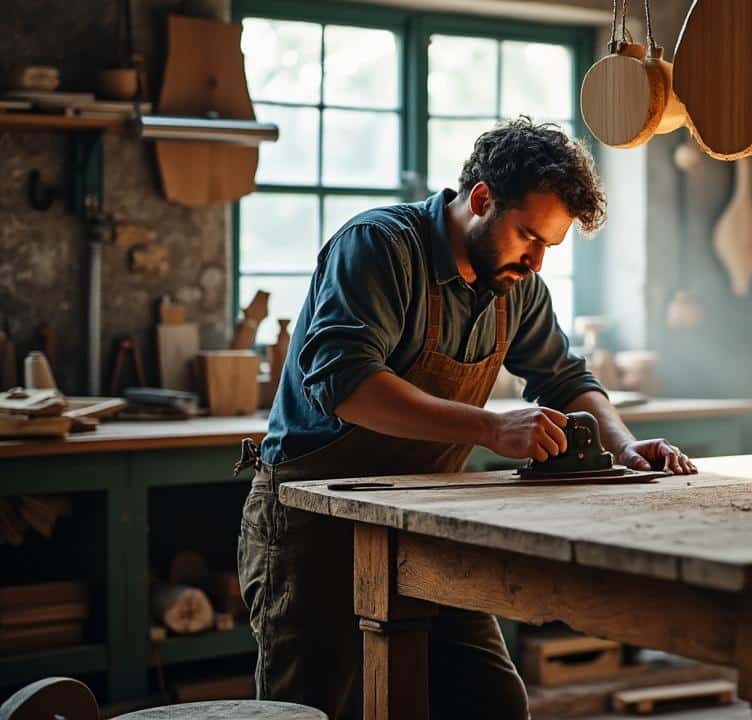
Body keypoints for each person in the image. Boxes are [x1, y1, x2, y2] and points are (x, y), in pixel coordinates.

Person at [236, 117, 697, 719]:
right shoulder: (380, 246)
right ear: (481, 199)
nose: (535, 262)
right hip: (315, 521)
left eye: (548, 248)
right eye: (528, 236)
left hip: (424, 521)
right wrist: (491, 428)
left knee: (491, 703)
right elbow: (348, 386)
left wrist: (625, 445)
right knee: (316, 710)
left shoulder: (517, 285)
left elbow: (564, 378)